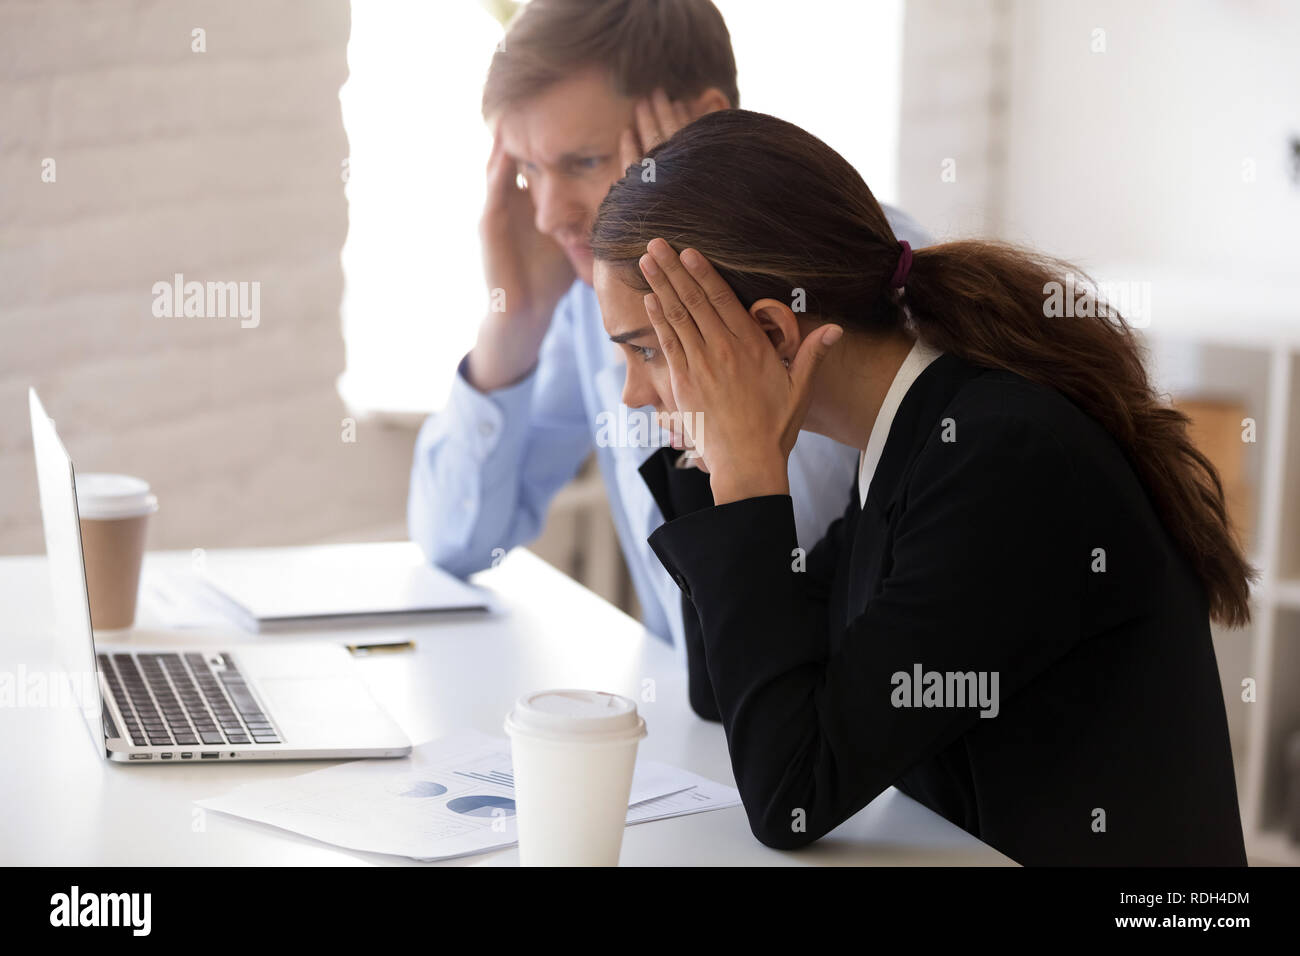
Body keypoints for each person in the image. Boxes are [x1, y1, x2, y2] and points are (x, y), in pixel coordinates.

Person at [589, 108, 1252, 866]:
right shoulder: (911, 434)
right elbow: (726, 694)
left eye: (647, 352)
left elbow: (792, 794)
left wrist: (746, 472)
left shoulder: (994, 459)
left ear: (771, 335)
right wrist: (716, 453)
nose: (634, 397)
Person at [406, 0, 930, 717]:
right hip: (718, 740)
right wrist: (514, 322)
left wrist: (671, 328)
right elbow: (454, 543)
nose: (548, 214)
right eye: (529, 172)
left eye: (583, 163)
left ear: (700, 125)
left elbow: (751, 602)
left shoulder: (813, 293)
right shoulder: (584, 289)